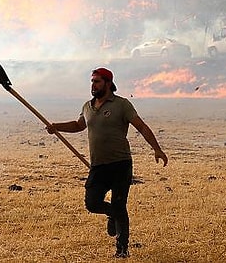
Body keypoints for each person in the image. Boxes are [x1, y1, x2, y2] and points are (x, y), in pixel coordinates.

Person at [46, 68, 168, 259]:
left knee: (120, 204)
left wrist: (157, 148)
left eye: (97, 82)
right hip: (98, 165)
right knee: (92, 203)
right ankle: (112, 214)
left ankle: (122, 249)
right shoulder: (87, 106)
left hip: (120, 164)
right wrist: (56, 127)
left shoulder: (122, 105)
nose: (93, 85)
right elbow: (79, 125)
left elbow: (142, 126)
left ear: (108, 83)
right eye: (92, 82)